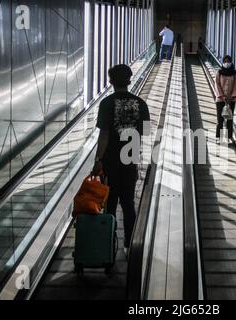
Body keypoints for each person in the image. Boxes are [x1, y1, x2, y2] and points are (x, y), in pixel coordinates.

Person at [93, 64, 150, 258]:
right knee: (128, 205)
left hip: (110, 162)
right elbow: (146, 133)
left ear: (110, 82)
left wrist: (98, 160)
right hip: (130, 161)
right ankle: (129, 246)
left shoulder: (106, 104)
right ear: (129, 80)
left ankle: (108, 247)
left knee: (109, 205)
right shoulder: (141, 103)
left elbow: (104, 136)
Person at [215, 55, 236, 145]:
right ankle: (218, 137)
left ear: (231, 62)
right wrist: (222, 96)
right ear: (223, 62)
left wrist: (231, 97)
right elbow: (217, 84)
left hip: (231, 100)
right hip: (220, 100)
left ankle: (229, 137)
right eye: (225, 61)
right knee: (220, 119)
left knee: (229, 119)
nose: (227, 63)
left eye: (228, 61)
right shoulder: (219, 72)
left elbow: (235, 86)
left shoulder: (235, 73)